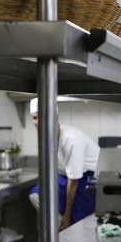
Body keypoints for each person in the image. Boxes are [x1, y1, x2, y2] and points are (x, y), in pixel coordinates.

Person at [28, 98, 100, 229]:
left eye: (43, 117)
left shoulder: (71, 139)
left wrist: (67, 216)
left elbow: (74, 181)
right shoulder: (47, 136)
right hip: (65, 177)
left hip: (88, 179)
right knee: (37, 194)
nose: (38, 122)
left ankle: (67, 227)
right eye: (35, 118)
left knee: (78, 223)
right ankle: (58, 228)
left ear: (55, 117)